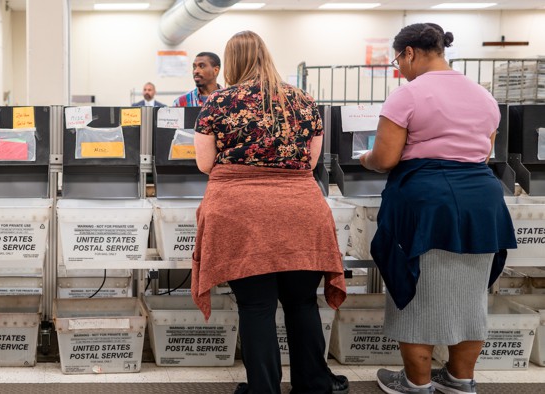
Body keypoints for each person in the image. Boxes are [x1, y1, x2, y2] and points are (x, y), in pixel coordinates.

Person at [359, 23, 516, 394]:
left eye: (398, 59)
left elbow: (385, 159)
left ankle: (416, 383)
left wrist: (365, 157)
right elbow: (483, 153)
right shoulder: (484, 96)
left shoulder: (407, 95)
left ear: (410, 52)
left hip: (427, 202)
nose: (399, 67)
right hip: (482, 201)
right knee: (470, 295)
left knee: (416, 291)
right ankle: (461, 380)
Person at [191, 30, 349, 394]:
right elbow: (310, 162)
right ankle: (313, 385)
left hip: (239, 213)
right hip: (300, 210)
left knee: (256, 306)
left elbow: (205, 163)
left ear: (229, 63)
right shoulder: (303, 100)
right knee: (301, 303)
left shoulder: (218, 103)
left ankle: (264, 389)